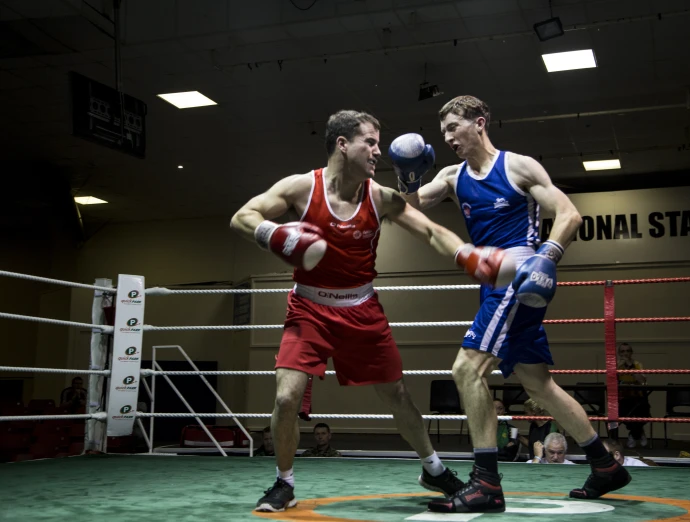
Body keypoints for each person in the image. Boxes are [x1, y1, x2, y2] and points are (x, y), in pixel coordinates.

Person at [230, 109, 516, 513]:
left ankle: (433, 468)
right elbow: (242, 216)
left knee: (397, 394)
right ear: (343, 144)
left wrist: (466, 254)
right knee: (286, 397)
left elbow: (430, 229)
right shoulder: (301, 188)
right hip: (308, 308)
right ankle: (283, 482)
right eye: (371, 142)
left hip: (362, 309)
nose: (378, 151)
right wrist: (275, 234)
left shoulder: (378, 196)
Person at [390, 95, 631, 514]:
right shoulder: (451, 175)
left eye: (454, 127)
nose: (447, 137)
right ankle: (604, 463)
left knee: (466, 370)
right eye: (443, 131)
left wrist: (547, 257)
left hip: (519, 279)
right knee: (538, 384)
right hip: (492, 284)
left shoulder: (518, 166)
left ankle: (485, 482)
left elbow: (569, 214)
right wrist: (407, 179)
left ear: (480, 123)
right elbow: (408, 212)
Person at [615, 343, 650, 448]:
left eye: (628, 351)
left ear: (631, 353)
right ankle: (639, 433)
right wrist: (619, 367)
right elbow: (612, 381)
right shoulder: (615, 365)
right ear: (619, 353)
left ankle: (633, 434)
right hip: (623, 397)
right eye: (622, 351)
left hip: (638, 397)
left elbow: (642, 381)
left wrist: (630, 366)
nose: (625, 353)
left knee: (644, 414)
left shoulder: (638, 364)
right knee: (624, 415)